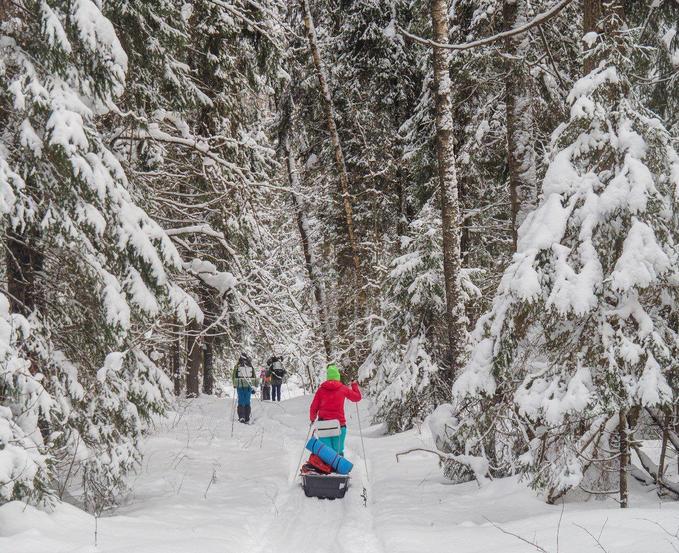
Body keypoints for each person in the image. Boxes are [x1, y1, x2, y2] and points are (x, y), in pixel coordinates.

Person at [309, 364, 361, 456]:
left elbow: (314, 407)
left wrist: (312, 419)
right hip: (339, 425)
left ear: (328, 377)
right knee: (337, 453)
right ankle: (338, 466)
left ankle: (325, 467)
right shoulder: (343, 389)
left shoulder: (321, 390)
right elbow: (357, 397)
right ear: (337, 376)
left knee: (327, 453)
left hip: (323, 426)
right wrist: (354, 385)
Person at [232, 353, 259, 423]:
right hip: (248, 386)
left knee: (241, 400)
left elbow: (234, 375)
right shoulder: (250, 366)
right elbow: (254, 376)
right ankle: (247, 417)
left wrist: (234, 384)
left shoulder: (237, 366)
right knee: (247, 401)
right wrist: (254, 387)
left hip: (240, 385)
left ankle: (241, 417)